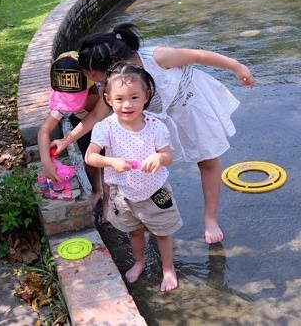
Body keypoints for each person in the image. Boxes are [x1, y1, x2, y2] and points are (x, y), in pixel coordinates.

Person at [52, 23, 255, 244]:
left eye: (95, 77)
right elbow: (95, 116)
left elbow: (197, 55)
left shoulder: (157, 58)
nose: (96, 83)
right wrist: (66, 140)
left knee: (206, 160)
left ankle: (210, 218)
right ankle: (153, 215)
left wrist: (237, 66)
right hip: (160, 116)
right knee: (151, 163)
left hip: (190, 103)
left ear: (113, 65)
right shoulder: (115, 79)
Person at [86, 62, 182, 292]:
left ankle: (168, 268)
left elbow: (168, 155)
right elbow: (90, 157)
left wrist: (159, 159)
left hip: (155, 191)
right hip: (123, 194)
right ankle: (139, 262)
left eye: (134, 98)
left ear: (146, 97)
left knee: (162, 232)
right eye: (119, 99)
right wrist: (111, 162)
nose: (127, 105)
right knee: (134, 231)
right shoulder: (105, 127)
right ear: (108, 98)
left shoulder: (155, 126)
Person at [37, 51, 104, 209]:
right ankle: (97, 190)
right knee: (89, 158)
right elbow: (44, 130)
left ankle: (108, 198)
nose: (66, 105)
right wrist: (46, 160)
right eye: (64, 98)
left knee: (109, 158)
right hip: (80, 123)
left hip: (107, 123)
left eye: (72, 99)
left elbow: (95, 115)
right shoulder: (66, 99)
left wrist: (66, 140)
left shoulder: (106, 93)